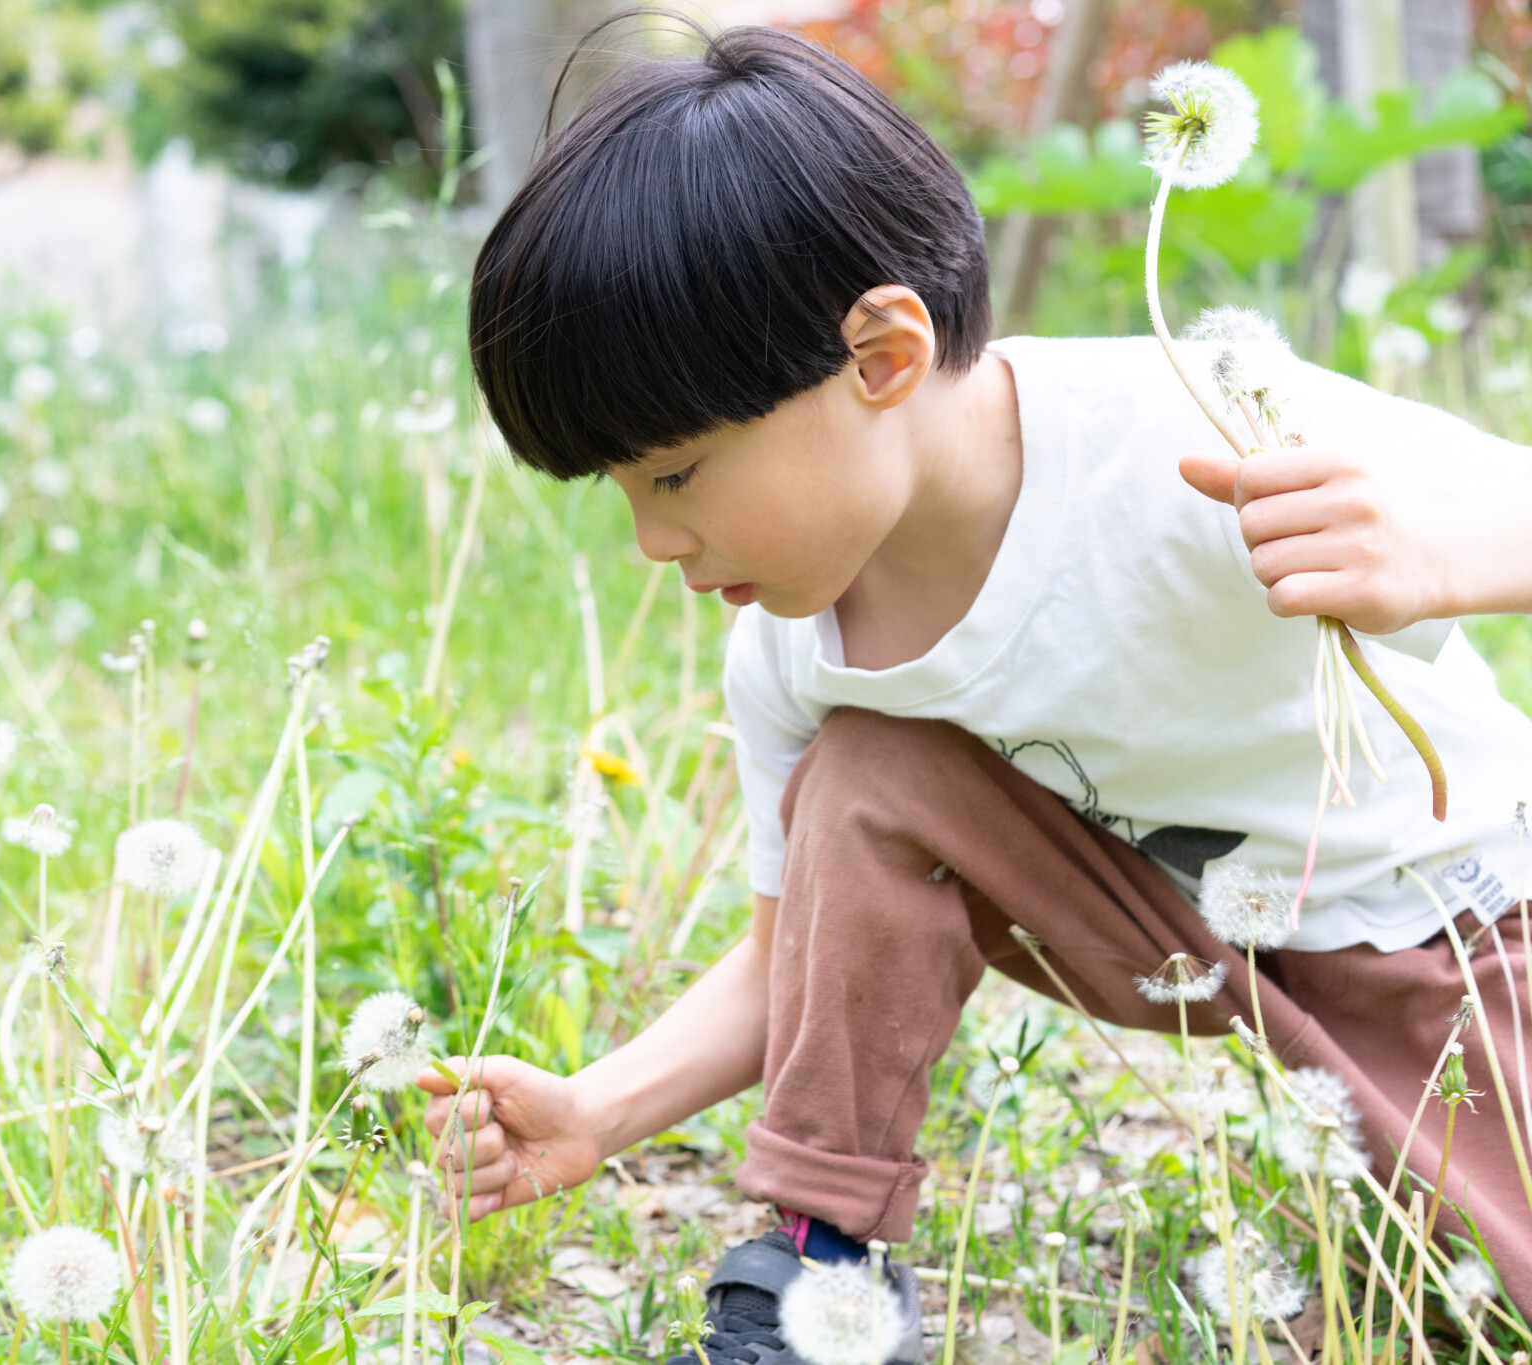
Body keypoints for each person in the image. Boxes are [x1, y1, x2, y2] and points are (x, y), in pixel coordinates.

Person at [420, 18, 1532, 1359]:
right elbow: (798, 957)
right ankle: (821, 1271)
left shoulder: (1195, 432)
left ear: (882, 356)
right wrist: (602, 1108)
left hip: (1453, 941)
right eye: (621, 493)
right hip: (1190, 941)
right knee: (874, 772)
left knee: (1455, 1311)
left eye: (674, 474)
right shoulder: (795, 643)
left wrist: (1436, 552)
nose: (654, 541)